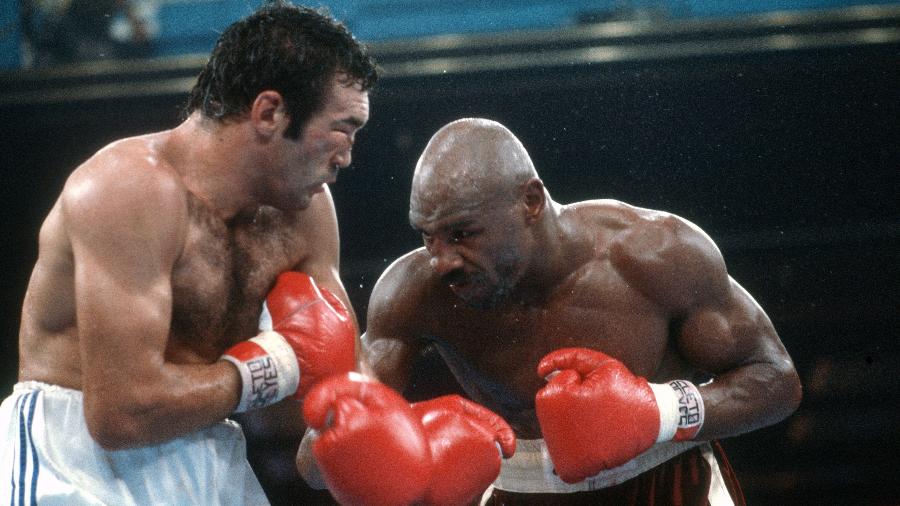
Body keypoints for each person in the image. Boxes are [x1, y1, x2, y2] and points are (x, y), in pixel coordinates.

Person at [300, 117, 803, 505]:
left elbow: (777, 381)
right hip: (518, 492)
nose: (442, 260)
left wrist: (659, 412)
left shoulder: (656, 254)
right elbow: (315, 457)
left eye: (462, 233)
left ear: (531, 201)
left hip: (665, 483)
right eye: (426, 237)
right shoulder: (414, 293)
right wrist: (408, 448)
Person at [0, 2, 377, 504]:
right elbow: (120, 414)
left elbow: (339, 392)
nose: (347, 157)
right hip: (76, 460)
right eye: (343, 129)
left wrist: (406, 446)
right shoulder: (127, 189)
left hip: (208, 449)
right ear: (269, 112)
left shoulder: (305, 213)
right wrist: (270, 368)